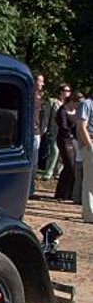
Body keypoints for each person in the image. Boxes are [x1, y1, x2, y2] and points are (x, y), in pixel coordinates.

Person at [42, 83, 70, 180]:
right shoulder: (52, 101)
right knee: (54, 151)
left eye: (69, 91)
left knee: (63, 153)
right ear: (61, 91)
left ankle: (57, 172)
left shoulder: (68, 104)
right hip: (53, 131)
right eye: (66, 90)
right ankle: (48, 172)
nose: (68, 93)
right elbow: (46, 117)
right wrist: (44, 130)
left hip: (64, 132)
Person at [54, 92, 79, 201]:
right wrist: (72, 134)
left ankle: (67, 193)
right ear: (72, 101)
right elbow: (63, 127)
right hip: (64, 140)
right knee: (70, 165)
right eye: (76, 103)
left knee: (71, 167)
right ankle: (61, 193)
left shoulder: (76, 111)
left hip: (73, 140)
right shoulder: (62, 111)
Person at [77, 92, 93, 222]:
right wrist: (89, 145)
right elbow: (82, 126)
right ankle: (89, 215)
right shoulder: (86, 104)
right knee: (90, 180)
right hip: (90, 145)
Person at [30, 73, 46, 197]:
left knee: (35, 162)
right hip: (29, 132)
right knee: (30, 160)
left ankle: (31, 187)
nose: (42, 84)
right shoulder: (28, 94)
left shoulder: (41, 97)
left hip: (37, 131)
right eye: (41, 81)